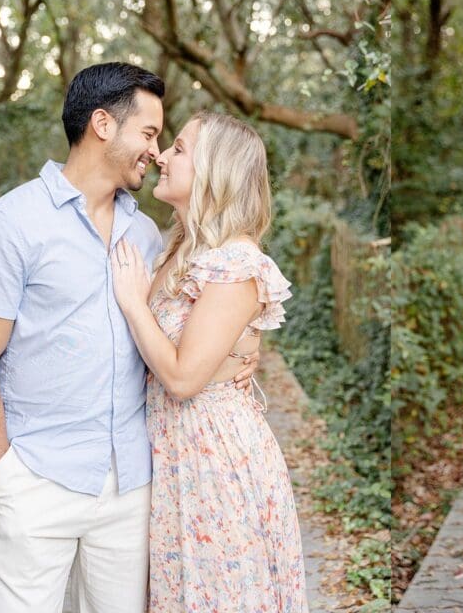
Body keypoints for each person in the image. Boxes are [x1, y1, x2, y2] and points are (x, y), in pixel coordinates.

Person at [0, 62, 256, 612]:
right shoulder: (9, 225)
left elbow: (202, 317)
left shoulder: (147, 234)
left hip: (131, 487)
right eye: (149, 133)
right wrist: (4, 476)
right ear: (102, 125)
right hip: (36, 479)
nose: (156, 152)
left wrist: (240, 356)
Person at [109, 111, 308, 612]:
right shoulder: (180, 247)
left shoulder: (236, 262)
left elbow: (182, 378)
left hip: (216, 462)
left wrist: (133, 303)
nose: (161, 156)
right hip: (176, 456)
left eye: (178, 148)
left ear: (215, 171)